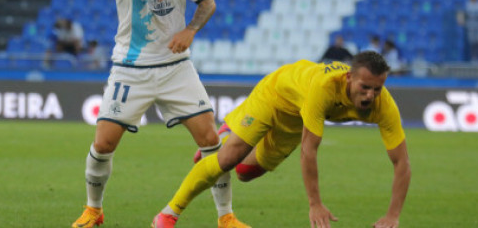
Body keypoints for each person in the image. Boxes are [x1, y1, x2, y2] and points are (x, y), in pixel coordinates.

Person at [71, 0, 247, 228]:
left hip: (176, 67)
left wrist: (190, 30)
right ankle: (93, 209)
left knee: (211, 139)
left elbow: (207, 3)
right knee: (103, 143)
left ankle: (226, 217)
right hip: (130, 68)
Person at [152, 52, 411, 228]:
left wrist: (393, 215)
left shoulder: (384, 107)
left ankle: (227, 138)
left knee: (245, 172)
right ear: (349, 78)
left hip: (296, 118)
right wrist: (315, 204)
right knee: (229, 158)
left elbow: (402, 163)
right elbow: (309, 150)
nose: (370, 95)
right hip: (276, 95)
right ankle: (168, 214)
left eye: (377, 89)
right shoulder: (324, 89)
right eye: (364, 87)